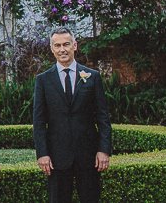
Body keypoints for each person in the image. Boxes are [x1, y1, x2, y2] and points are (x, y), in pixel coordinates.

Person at [33, 27, 112, 203]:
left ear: (74, 45)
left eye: (66, 44)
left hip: (89, 156)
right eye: (58, 45)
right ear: (52, 49)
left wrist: (103, 150)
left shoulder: (92, 77)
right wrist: (42, 153)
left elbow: (103, 118)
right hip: (57, 157)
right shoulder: (43, 80)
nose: (62, 49)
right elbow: (38, 122)